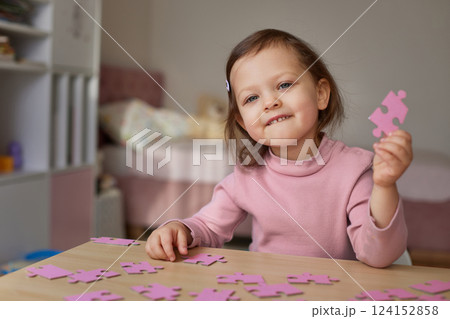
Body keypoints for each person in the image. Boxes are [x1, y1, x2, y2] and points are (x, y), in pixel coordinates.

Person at [145, 29, 413, 268]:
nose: (270, 102)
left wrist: (385, 186)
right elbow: (207, 227)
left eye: (284, 85)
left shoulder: (355, 170)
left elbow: (378, 256)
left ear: (320, 94)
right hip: (265, 293)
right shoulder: (248, 175)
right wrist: (179, 229)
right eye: (251, 98)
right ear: (242, 121)